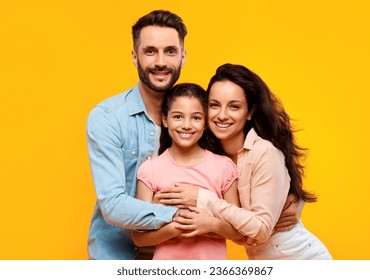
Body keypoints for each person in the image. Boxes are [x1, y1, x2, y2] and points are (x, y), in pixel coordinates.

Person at [86, 9, 300, 260]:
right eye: (150, 51)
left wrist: (287, 198)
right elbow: (112, 206)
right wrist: (184, 213)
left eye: (170, 51)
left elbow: (243, 156)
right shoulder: (108, 117)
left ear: (183, 57)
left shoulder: (201, 116)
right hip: (118, 256)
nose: (161, 62)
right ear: (135, 57)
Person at [163, 63, 333, 259]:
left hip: (300, 258)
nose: (222, 115)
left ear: (250, 112)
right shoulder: (209, 156)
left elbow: (260, 230)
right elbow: (240, 231)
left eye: (234, 106)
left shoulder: (264, 152)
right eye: (214, 105)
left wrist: (204, 199)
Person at [131, 83, 243, 259]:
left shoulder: (224, 167)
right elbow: (139, 238)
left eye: (196, 118)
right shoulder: (150, 170)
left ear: (205, 122)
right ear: (165, 120)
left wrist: (211, 224)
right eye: (178, 117)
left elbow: (239, 231)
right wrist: (176, 227)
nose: (186, 125)